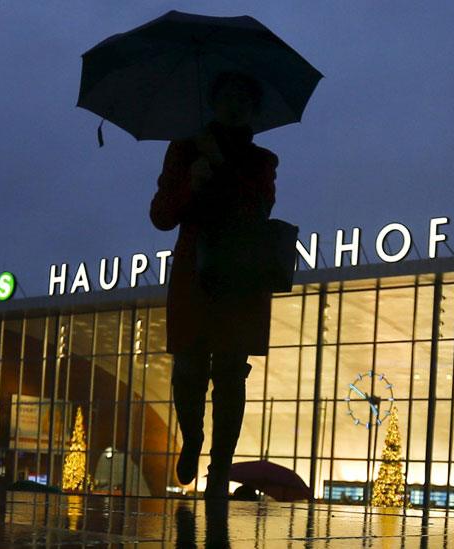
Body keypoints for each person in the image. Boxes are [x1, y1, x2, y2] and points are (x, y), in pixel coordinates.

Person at [150, 71, 278, 499]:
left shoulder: (262, 161)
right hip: (194, 273)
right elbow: (161, 215)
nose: (236, 104)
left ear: (254, 110)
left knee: (230, 373)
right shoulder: (184, 150)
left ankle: (220, 467)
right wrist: (192, 181)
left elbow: (258, 209)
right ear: (215, 102)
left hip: (240, 274)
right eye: (229, 96)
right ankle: (192, 438)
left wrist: (219, 169)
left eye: (245, 97)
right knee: (188, 369)